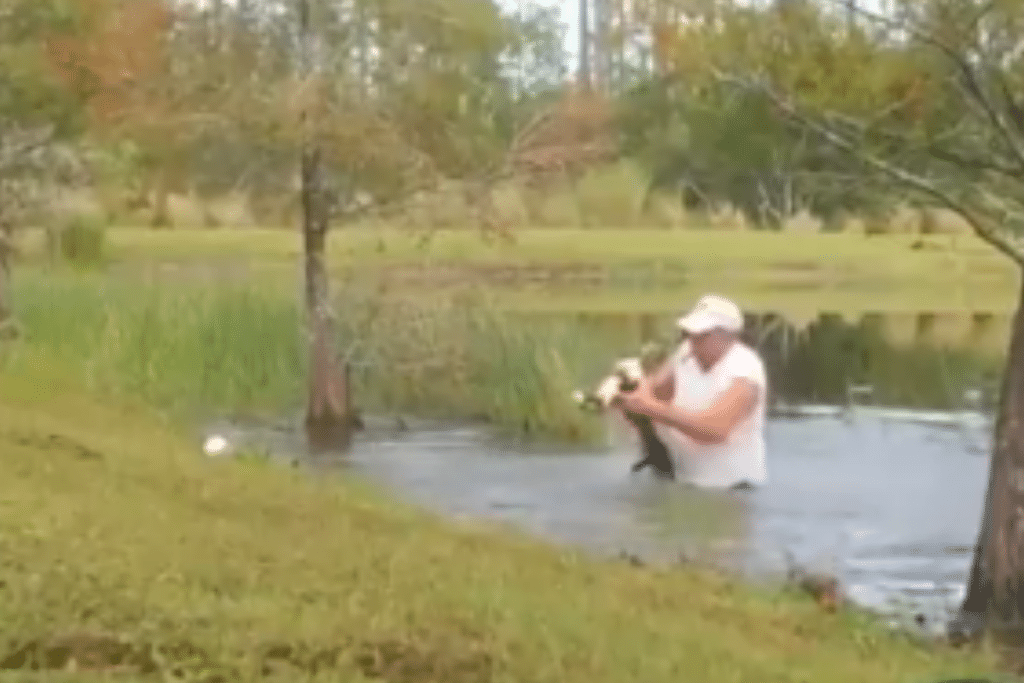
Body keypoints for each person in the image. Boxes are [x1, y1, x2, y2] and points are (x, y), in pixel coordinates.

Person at [613, 294, 768, 489]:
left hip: (732, 490)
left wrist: (649, 408)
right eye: (690, 333)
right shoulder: (686, 352)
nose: (694, 340)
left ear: (728, 336)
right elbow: (656, 390)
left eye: (702, 335)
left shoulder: (746, 371)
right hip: (684, 482)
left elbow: (715, 430)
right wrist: (626, 391)